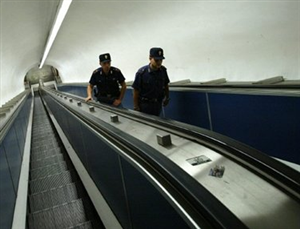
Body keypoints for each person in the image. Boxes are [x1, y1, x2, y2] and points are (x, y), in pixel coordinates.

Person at [132, 47, 170, 116]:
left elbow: (166, 84)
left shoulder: (163, 71)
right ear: (150, 58)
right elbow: (135, 90)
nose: (159, 62)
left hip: (158, 104)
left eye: (161, 60)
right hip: (145, 105)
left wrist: (167, 97)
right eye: (156, 60)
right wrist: (136, 106)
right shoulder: (141, 73)